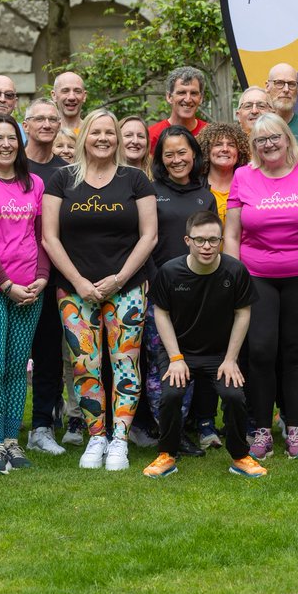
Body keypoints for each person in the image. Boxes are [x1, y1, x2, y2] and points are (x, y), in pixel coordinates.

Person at [42, 108, 158, 471]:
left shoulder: (135, 180)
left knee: (125, 362)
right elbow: (49, 237)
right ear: (84, 137)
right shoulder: (62, 179)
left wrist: (119, 279)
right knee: (85, 364)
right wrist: (78, 282)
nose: (103, 138)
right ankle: (96, 437)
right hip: (74, 290)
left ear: (118, 139)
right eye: (96, 132)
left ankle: (119, 439)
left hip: (127, 287)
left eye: (110, 133)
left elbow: (149, 236)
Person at [224, 112, 298, 460]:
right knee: (261, 351)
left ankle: (295, 428)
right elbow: (232, 234)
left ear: (287, 139)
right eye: (260, 140)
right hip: (257, 277)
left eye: (274, 137)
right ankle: (262, 430)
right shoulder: (243, 176)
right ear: (253, 145)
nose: (268, 144)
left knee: (296, 352)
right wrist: (234, 281)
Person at [144, 211, 267, 479]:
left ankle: (240, 457)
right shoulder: (170, 272)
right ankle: (166, 454)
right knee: (171, 394)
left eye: (213, 240)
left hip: (220, 354)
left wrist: (231, 359)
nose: (207, 246)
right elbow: (161, 313)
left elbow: (243, 313)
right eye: (200, 240)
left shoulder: (235, 270)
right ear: (187, 240)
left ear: (221, 241)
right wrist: (176, 358)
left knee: (234, 396)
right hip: (179, 351)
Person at [0, 114, 50, 473]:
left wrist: (42, 277)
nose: (5, 145)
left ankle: (13, 441)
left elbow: (43, 236)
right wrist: (5, 284)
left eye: (11, 138)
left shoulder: (35, 184)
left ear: (20, 143)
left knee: (17, 367)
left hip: (30, 288)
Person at [142, 127, 217, 450]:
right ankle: (166, 428)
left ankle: (183, 426)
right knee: (161, 362)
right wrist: (156, 282)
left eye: (182, 152)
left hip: (197, 293)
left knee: (189, 361)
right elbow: (143, 240)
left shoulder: (205, 195)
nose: (176, 160)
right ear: (160, 159)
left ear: (194, 155)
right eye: (169, 154)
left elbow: (211, 244)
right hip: (159, 290)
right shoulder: (149, 191)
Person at [22, 98, 73, 455]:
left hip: (53, 275)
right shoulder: (12, 165)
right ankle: (1, 427)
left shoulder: (66, 171)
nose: (46, 124)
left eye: (52, 119)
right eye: (38, 119)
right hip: (11, 274)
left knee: (49, 355)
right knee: (5, 359)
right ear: (25, 125)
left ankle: (42, 426)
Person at [198, 121, 250, 223]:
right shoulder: (195, 185)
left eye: (231, 145)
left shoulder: (249, 185)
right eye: (218, 144)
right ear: (206, 150)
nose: (225, 149)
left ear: (239, 151)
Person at [147, 66, 209, 149]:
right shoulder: (152, 136)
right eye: (181, 93)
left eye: (193, 93)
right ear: (169, 97)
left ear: (201, 98)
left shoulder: (211, 135)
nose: (188, 99)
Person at [266, 63, 298, 151]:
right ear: (267, 86)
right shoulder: (258, 126)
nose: (286, 89)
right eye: (279, 83)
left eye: (291, 84)